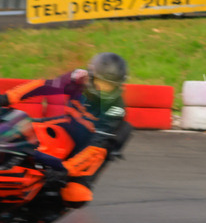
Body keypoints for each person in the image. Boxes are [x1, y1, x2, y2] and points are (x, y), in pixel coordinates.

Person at [0, 52, 129, 207]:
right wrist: (8, 97)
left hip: (85, 147)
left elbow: (96, 147)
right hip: (64, 126)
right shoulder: (79, 79)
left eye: (110, 86)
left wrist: (67, 170)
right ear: (92, 76)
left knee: (76, 195)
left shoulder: (115, 108)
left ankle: (41, 205)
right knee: (13, 132)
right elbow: (44, 86)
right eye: (103, 83)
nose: (105, 89)